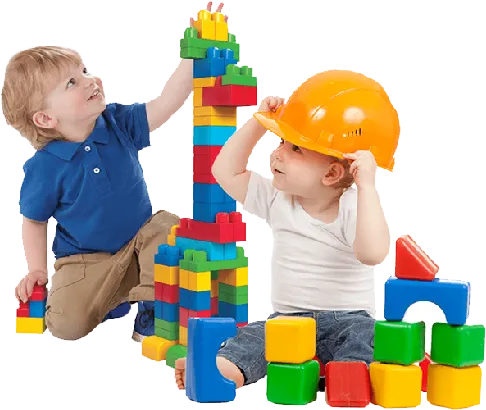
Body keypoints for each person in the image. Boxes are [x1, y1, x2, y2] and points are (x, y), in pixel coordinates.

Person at [3, 0, 229, 342]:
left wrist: (193, 49)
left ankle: (153, 306)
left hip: (141, 241)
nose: (90, 80)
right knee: (65, 326)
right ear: (46, 118)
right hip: (86, 260)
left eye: (84, 70)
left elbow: (167, 101)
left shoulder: (117, 123)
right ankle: (113, 297)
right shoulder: (44, 167)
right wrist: (36, 268)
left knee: (170, 230)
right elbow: (33, 220)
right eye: (72, 83)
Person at [174, 68, 401, 391]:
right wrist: (258, 122)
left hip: (349, 320)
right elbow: (224, 170)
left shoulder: (353, 206)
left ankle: (349, 381)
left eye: (296, 149)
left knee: (369, 337)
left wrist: (367, 188)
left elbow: (373, 253)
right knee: (253, 336)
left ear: (332, 174)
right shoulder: (277, 198)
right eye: (282, 140)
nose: (277, 152)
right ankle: (222, 371)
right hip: (287, 321)